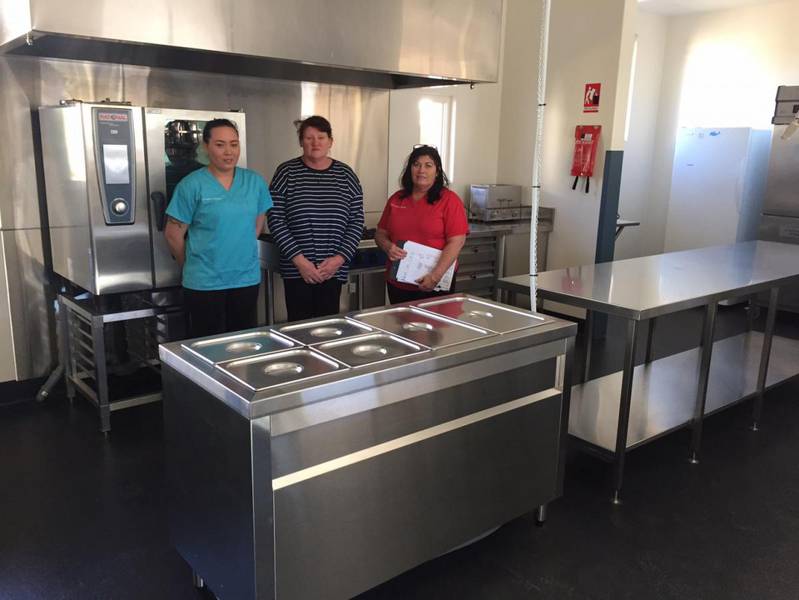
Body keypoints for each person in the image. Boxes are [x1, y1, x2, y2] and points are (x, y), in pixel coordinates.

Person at [164, 118, 272, 338]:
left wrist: (240, 248)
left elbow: (258, 221)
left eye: (234, 144)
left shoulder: (254, 182)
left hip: (245, 279)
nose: (228, 152)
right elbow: (173, 235)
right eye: (220, 144)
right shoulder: (192, 185)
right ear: (206, 146)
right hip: (204, 283)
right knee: (209, 348)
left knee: (244, 345)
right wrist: (193, 265)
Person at [267, 115, 365, 322]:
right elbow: (275, 218)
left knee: (328, 327)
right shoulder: (286, 173)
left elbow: (356, 220)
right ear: (301, 142)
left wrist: (338, 260)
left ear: (330, 141)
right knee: (298, 326)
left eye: (321, 137)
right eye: (309, 138)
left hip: (333, 270)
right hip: (297, 269)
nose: (315, 143)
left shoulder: (346, 175)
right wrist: (301, 262)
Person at [375, 145, 468, 304]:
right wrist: (387, 246)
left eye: (428, 165)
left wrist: (435, 276)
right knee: (400, 327)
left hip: (434, 283)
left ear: (437, 171)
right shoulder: (397, 199)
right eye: (416, 164)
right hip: (399, 282)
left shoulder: (449, 200)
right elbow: (380, 233)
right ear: (410, 169)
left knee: (434, 328)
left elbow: (457, 241)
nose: (421, 170)